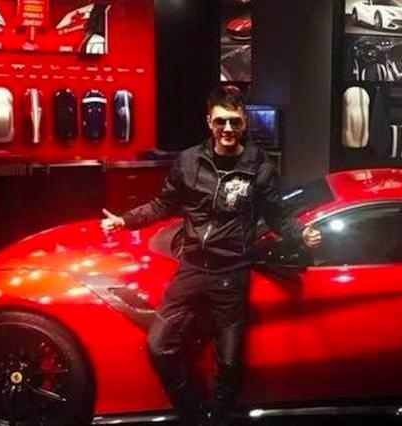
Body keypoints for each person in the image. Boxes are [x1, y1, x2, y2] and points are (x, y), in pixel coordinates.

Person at [100, 85, 321, 426]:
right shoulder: (189, 161)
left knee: (230, 365)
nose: (228, 129)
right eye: (221, 122)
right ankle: (193, 414)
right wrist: (125, 220)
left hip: (231, 274)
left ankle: (215, 420)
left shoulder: (259, 166)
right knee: (159, 347)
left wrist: (300, 233)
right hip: (191, 268)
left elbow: (277, 215)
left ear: (244, 121)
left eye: (235, 122)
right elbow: (162, 204)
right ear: (209, 122)